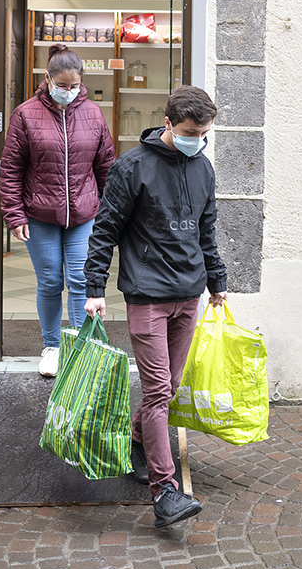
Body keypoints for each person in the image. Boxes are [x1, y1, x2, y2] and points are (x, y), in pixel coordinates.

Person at [83, 85, 226, 528]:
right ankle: (165, 491)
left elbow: (207, 233)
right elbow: (104, 230)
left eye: (203, 133)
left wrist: (217, 282)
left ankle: (137, 444)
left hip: (190, 293)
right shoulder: (132, 167)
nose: (196, 139)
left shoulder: (203, 167)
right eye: (189, 131)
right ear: (168, 124)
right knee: (159, 391)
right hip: (147, 295)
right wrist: (93, 289)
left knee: (170, 385)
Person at [0, 45, 115, 376]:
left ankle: (80, 348)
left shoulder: (93, 113)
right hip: (40, 214)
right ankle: (52, 345)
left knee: (80, 280)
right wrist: (15, 214)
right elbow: (11, 170)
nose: (68, 91)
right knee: (50, 281)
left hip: (84, 214)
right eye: (61, 85)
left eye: (73, 86)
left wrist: (109, 212)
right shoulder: (25, 114)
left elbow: (106, 165)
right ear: (47, 79)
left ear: (81, 83)